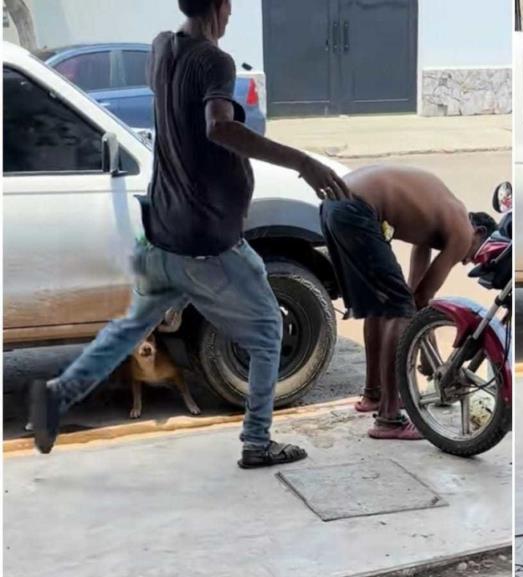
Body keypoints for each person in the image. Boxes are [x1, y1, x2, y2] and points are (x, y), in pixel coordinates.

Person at [29, 0, 350, 469]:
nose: (232, 15)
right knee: (266, 330)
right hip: (205, 241)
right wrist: (304, 162)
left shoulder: (161, 48)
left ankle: (57, 399)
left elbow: (183, 118)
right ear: (220, 5)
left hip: (162, 232)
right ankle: (257, 442)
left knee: (130, 330)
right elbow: (218, 126)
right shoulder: (213, 60)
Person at [320, 166, 497, 439]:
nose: (467, 262)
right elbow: (420, 300)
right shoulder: (462, 229)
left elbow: (415, 296)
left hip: (333, 203)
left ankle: (374, 394)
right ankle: (389, 418)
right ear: (479, 231)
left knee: (383, 303)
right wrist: (432, 362)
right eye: (476, 255)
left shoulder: (434, 220)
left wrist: (424, 350)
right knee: (395, 307)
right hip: (356, 208)